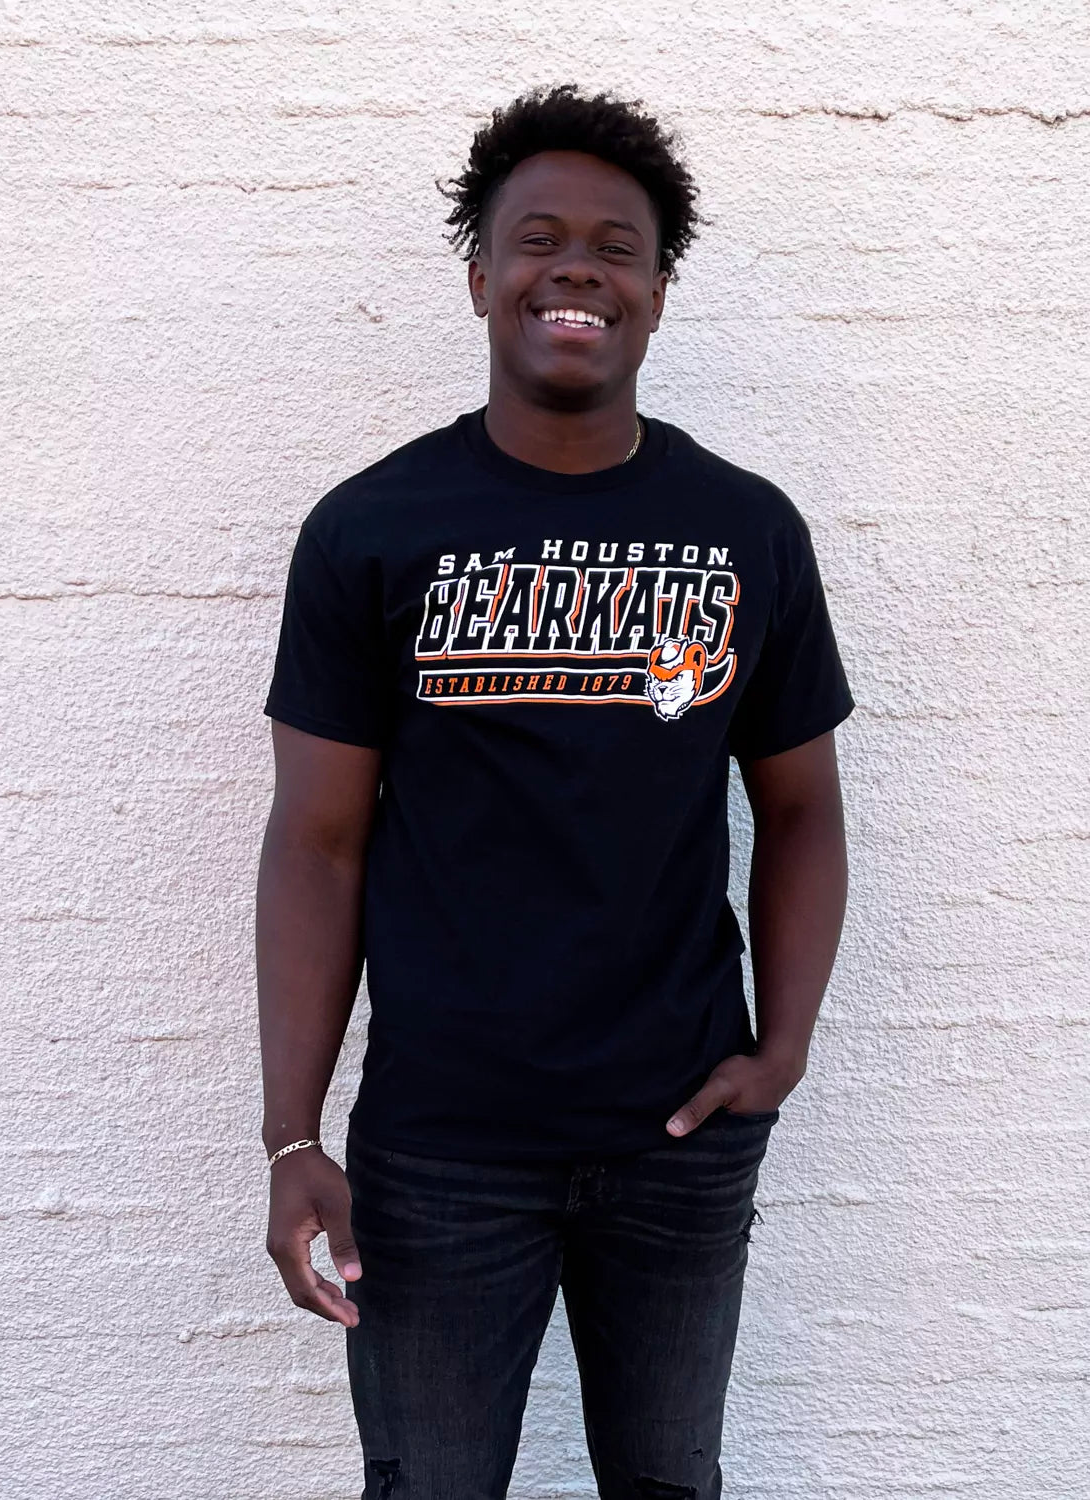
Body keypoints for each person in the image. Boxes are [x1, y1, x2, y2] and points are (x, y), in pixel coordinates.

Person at [257, 82, 854, 1500]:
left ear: (656, 294)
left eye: (616, 247)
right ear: (482, 278)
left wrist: (783, 1049)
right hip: (441, 1149)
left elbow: (803, 808)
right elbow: (318, 844)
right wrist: (292, 1132)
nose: (575, 268)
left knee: (670, 1483)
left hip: (677, 1134)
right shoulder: (372, 528)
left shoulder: (745, 528)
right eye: (537, 239)